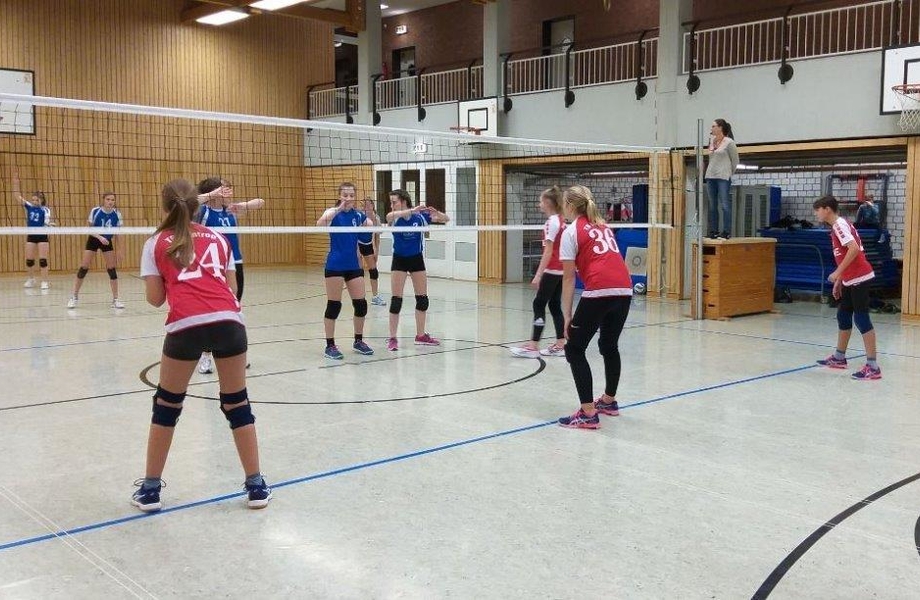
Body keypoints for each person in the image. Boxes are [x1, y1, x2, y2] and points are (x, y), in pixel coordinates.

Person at [133, 178, 271, 512]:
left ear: (165, 206)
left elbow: (155, 299)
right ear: (198, 205)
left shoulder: (155, 242)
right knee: (237, 403)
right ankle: (256, 487)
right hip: (230, 322)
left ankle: (150, 491)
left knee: (167, 405)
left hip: (187, 325)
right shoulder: (219, 239)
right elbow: (231, 288)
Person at [557, 185, 633, 430]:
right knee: (609, 345)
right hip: (625, 289)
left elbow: (568, 278)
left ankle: (588, 413)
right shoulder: (603, 226)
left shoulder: (571, 231)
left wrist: (567, 316)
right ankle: (609, 401)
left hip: (600, 290)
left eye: (564, 203)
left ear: (570, 205)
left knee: (574, 349)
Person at [194, 177, 265, 374]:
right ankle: (206, 355)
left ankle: (235, 354)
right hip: (212, 266)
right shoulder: (203, 212)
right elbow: (187, 202)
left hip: (235, 264)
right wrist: (211, 195)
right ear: (214, 192)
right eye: (224, 189)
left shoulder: (231, 210)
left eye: (229, 189)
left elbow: (261, 202)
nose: (229, 192)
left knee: (234, 309)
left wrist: (242, 205)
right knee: (211, 312)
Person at [813, 195, 881, 380]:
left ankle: (873, 366)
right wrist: (840, 280)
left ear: (827, 209)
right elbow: (845, 254)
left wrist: (836, 273)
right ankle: (839, 357)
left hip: (860, 277)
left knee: (861, 318)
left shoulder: (839, 225)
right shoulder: (838, 226)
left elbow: (854, 249)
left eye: (818, 210)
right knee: (843, 315)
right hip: (850, 278)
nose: (816, 214)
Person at [384, 189, 450, 351]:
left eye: (394, 202)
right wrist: (411, 210)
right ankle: (392, 338)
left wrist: (438, 213)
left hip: (416, 259)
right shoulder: (395, 218)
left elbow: (446, 219)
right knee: (396, 301)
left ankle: (420, 336)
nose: (392, 205)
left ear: (404, 201)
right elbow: (388, 217)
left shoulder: (420, 217)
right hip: (399, 260)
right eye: (391, 202)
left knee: (422, 300)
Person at [316, 182, 374, 359]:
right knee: (334, 306)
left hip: (353, 265)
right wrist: (338, 209)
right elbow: (319, 225)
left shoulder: (358, 215)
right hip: (335, 265)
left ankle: (358, 341)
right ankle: (330, 345)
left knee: (361, 305)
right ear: (339, 196)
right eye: (345, 195)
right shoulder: (332, 212)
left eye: (351, 195)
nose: (348, 198)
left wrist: (370, 215)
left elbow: (372, 227)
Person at [510, 186, 566, 358]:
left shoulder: (552, 222)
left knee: (538, 304)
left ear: (548, 202)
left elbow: (548, 251)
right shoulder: (561, 220)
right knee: (554, 305)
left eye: (541, 201)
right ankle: (561, 344)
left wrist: (539, 274)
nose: (538, 204)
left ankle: (533, 346)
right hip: (561, 269)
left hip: (552, 270)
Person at [67, 192, 125, 309]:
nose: (110, 202)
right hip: (94, 239)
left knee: (112, 270)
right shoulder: (95, 211)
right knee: (83, 268)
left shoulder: (117, 214)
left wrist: (120, 250)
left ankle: (115, 300)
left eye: (112, 200)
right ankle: (74, 297)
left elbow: (118, 233)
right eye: (108, 199)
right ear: (103, 200)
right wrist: (99, 237)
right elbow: (89, 229)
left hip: (107, 241)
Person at [12, 169, 54, 290]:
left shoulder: (45, 210)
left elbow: (46, 223)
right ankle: (31, 279)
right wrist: (16, 184)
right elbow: (17, 196)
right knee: (29, 260)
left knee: (43, 260)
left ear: (42, 200)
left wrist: (49, 226)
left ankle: (44, 282)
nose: (35, 201)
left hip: (42, 236)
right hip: (31, 235)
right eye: (33, 199)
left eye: (37, 200)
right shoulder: (29, 206)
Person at [705, 118, 739, 239]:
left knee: (724, 204)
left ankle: (726, 231)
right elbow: (711, 158)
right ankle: (714, 230)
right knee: (712, 205)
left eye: (713, 126)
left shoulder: (729, 142)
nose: (711, 128)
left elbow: (735, 160)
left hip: (723, 176)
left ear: (720, 128)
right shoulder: (712, 141)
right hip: (711, 176)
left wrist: (729, 172)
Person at [358, 197, 386, 306]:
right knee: (359, 272)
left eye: (369, 204)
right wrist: (356, 251)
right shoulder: (359, 216)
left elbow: (377, 237)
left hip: (368, 245)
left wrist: (376, 251)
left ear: (372, 206)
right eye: (364, 204)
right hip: (357, 244)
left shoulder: (376, 218)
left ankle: (375, 297)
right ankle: (359, 297)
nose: (366, 206)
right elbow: (353, 233)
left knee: (373, 271)